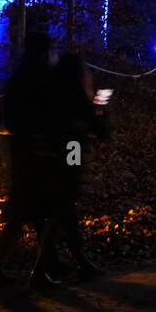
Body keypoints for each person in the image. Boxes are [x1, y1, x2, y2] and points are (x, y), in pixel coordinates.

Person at [0, 32, 61, 288]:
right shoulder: (34, 80)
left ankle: (37, 268)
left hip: (25, 154)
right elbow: (38, 118)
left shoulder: (23, 77)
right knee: (39, 214)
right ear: (43, 53)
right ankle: (39, 270)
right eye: (51, 51)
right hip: (31, 156)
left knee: (27, 216)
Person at [43, 52, 108, 281]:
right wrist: (101, 110)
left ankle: (55, 262)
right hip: (71, 150)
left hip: (50, 153)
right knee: (65, 203)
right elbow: (96, 123)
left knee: (61, 206)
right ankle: (55, 262)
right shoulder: (74, 90)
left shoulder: (49, 88)